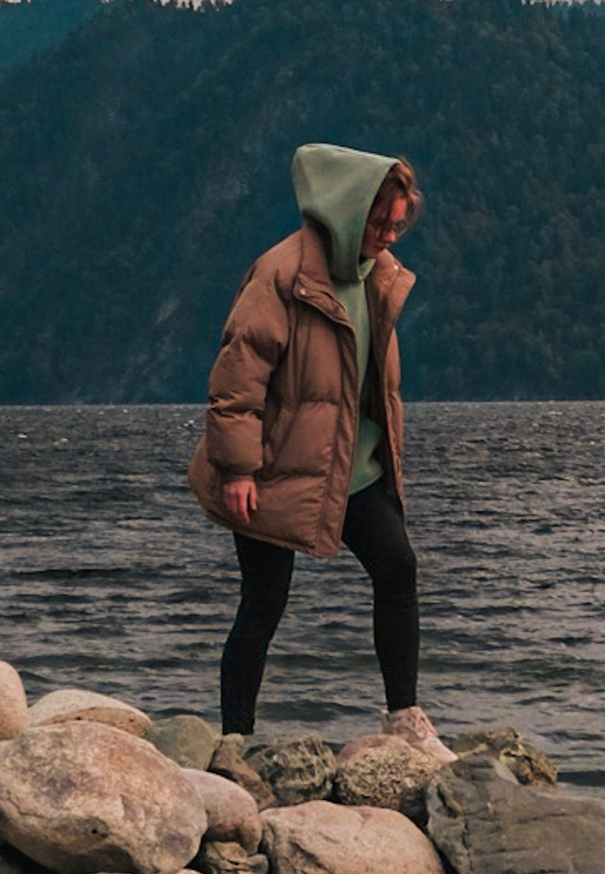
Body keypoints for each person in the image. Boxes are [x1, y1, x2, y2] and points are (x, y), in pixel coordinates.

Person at [188, 140, 438, 743]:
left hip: (354, 467)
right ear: (351, 210)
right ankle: (235, 742)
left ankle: (405, 719)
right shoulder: (280, 274)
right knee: (264, 602)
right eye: (381, 222)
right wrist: (240, 471)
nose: (390, 236)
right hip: (272, 470)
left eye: (399, 224)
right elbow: (236, 382)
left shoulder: (378, 276)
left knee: (398, 568)